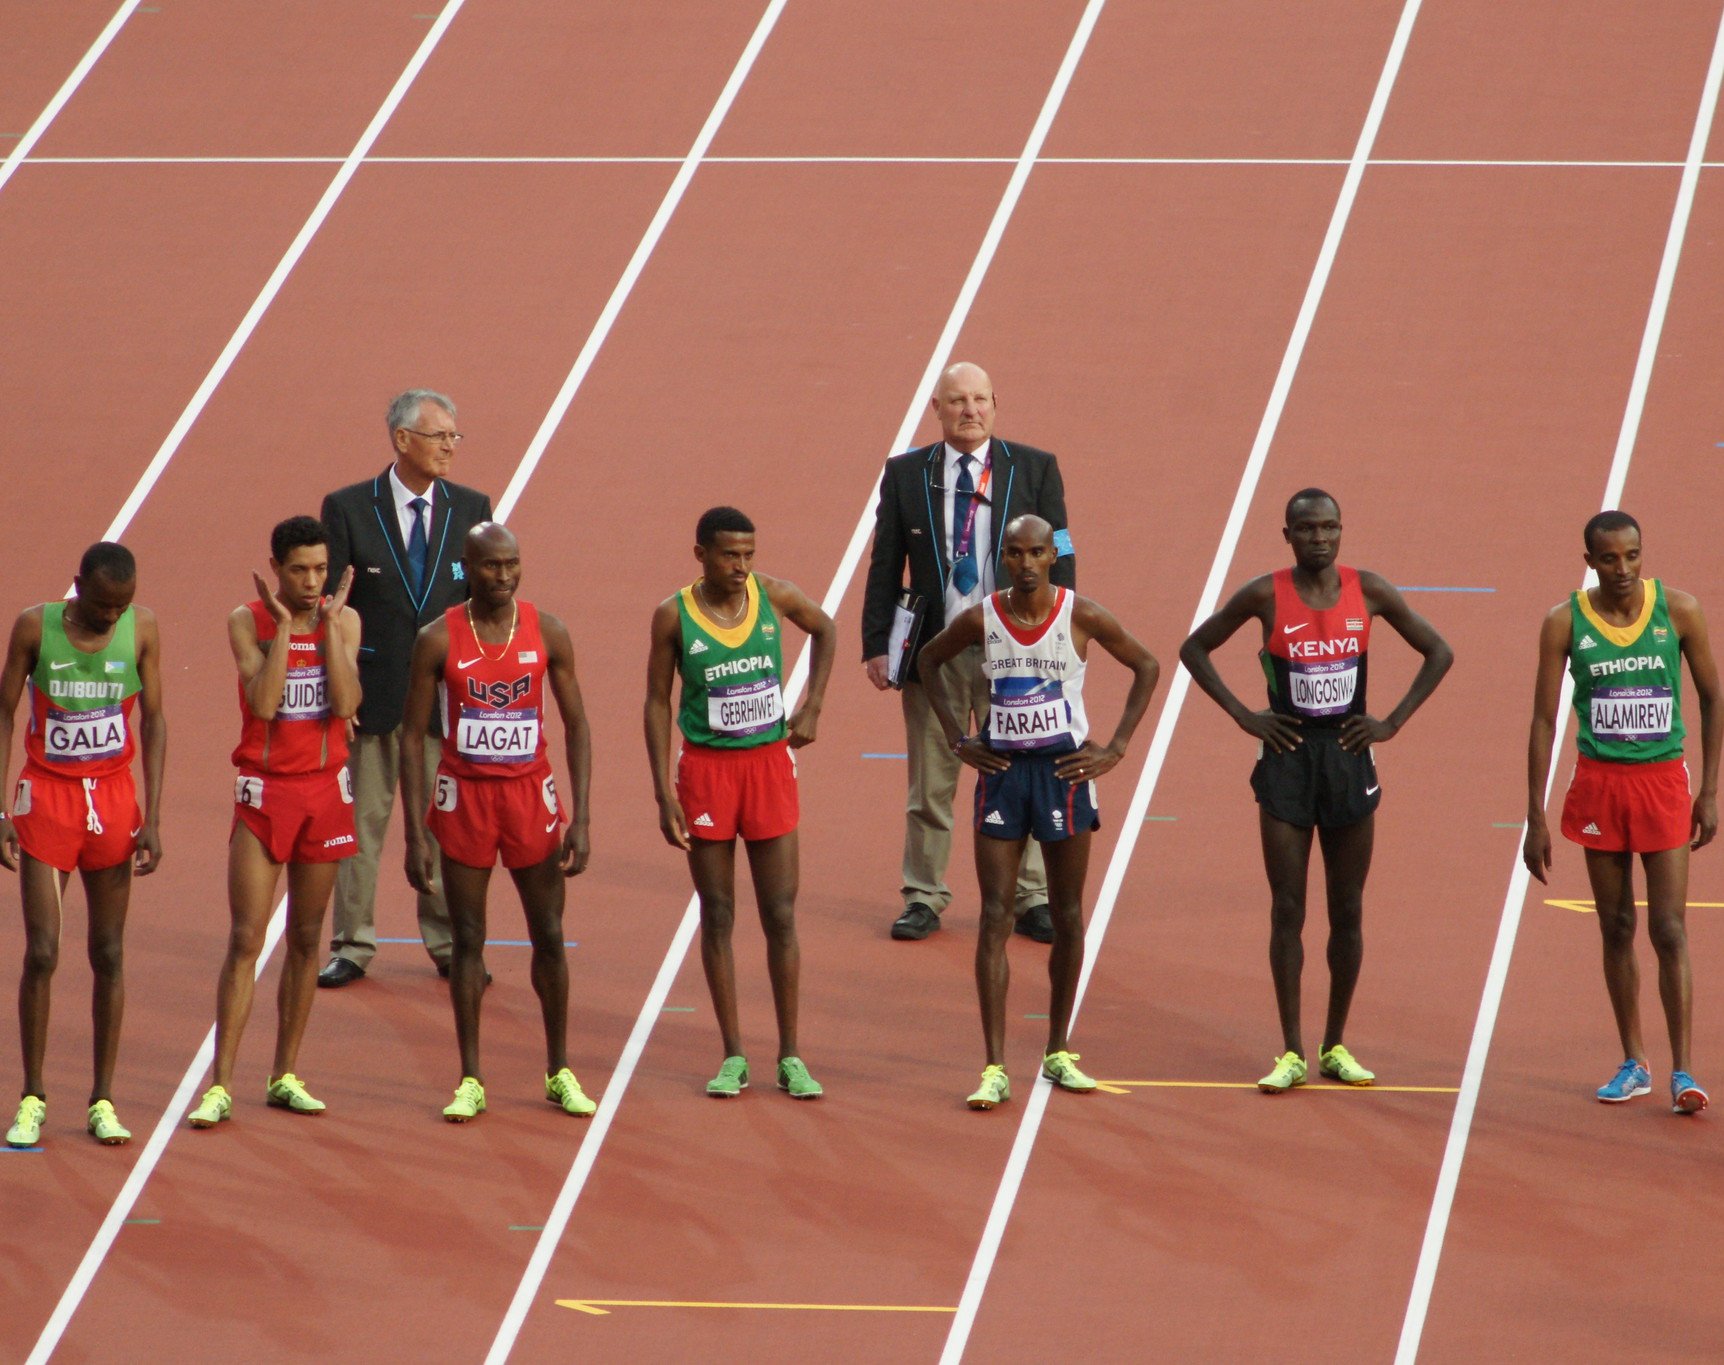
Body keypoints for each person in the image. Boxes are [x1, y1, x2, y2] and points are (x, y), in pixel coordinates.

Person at [1180, 488, 1452, 1093]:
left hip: (1350, 758)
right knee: (1288, 908)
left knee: (1347, 907)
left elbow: (1439, 651)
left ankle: (1335, 1044)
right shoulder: (1263, 594)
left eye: (1329, 528)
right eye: (1307, 530)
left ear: (1341, 530)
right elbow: (1194, 648)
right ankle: (1291, 1051)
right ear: (1288, 535)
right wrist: (1244, 715)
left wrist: (1392, 721)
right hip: (1287, 759)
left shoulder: (1370, 590)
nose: (1320, 539)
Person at [916, 516, 1158, 1109]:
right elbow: (927, 662)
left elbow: (1147, 666)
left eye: (1037, 553)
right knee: (995, 914)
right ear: (1004, 557)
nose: (1026, 564)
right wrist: (957, 737)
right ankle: (994, 1065)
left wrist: (1116, 747)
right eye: (1016, 553)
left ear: (1054, 556)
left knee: (1068, 914)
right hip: (1002, 777)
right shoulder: (982, 619)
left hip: (1064, 775)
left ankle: (1057, 1049)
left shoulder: (1082, 615)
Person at [862, 363, 1075, 945]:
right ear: (937, 408)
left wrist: (1062, 630)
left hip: (1018, 649)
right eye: (957, 400)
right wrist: (878, 645)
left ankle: (1031, 895)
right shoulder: (907, 474)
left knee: (1026, 769)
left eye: (980, 399)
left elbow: (1062, 549)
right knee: (931, 779)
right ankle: (924, 894)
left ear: (995, 404)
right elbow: (885, 565)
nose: (970, 410)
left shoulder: (1034, 468)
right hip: (937, 649)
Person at [1523, 511, 1721, 1112]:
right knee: (1617, 927)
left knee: (1669, 929)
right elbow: (1542, 719)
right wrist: (1535, 814)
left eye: (1632, 556)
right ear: (1588, 561)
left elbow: (1714, 698)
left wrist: (1709, 791)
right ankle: (1634, 1060)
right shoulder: (1564, 622)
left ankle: (1683, 1072)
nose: (1623, 569)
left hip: (1662, 783)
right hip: (1600, 785)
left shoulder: (1679, 611)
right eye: (1609, 559)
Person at [399, 523, 596, 1122]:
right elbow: (411, 736)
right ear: (467, 568)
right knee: (467, 940)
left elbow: (578, 726)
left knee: (549, 934)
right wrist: (414, 832)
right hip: (466, 803)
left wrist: (581, 817)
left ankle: (559, 1069)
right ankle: (470, 1078)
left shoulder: (548, 631)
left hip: (530, 799)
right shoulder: (437, 639)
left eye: (512, 564)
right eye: (490, 566)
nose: (504, 576)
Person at [645, 507, 836, 1099]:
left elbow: (826, 629)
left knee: (780, 913)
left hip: (767, 766)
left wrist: (813, 706)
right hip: (705, 772)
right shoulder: (672, 616)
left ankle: (791, 1055)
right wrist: (661, 791)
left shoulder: (773, 596)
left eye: (749, 554)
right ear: (700, 552)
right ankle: (733, 1055)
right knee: (719, 912)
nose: (741, 566)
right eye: (730, 555)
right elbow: (655, 702)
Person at [187, 518, 362, 1129]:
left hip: (324, 795)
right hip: (265, 797)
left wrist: (332, 629)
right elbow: (263, 703)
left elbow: (345, 704)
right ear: (277, 568)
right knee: (245, 939)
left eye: (320, 569)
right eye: (299, 570)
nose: (312, 582)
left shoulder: (345, 618)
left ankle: (285, 1073)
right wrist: (287, 631)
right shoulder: (248, 621)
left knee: (309, 940)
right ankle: (221, 1084)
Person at [317, 388, 493, 986]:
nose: (451, 446)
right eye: (440, 435)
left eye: (454, 436)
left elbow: (482, 607)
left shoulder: (473, 508)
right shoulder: (346, 508)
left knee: (444, 826)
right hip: (372, 699)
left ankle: (448, 943)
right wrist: (338, 693)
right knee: (361, 826)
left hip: (445, 704)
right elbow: (332, 609)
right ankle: (352, 944)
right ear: (402, 440)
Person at [0, 543, 165, 1147]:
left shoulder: (141, 627)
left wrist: (155, 816)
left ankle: (102, 1098)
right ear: (78, 587)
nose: (110, 617)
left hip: (114, 801)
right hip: (47, 799)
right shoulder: (33, 627)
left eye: (120, 606)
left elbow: (155, 719)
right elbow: (4, 712)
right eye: (100, 606)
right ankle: (33, 1097)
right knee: (43, 951)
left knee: (109, 953)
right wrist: (0, 810)